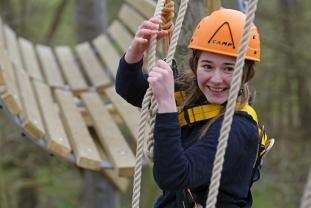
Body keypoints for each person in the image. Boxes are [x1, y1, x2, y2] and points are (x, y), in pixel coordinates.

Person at [116, 8, 272, 208]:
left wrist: (166, 104)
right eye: (207, 66)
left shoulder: (237, 129)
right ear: (195, 64)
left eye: (229, 69)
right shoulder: (191, 91)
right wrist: (135, 51)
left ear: (246, 73)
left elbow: (173, 175)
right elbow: (130, 89)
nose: (216, 79)